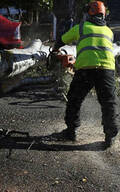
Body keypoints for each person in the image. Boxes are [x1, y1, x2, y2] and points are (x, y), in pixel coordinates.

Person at [51, 1, 119, 148]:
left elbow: (62, 40)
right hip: (106, 69)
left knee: (74, 99)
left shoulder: (81, 27)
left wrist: (55, 50)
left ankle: (71, 131)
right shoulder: (108, 31)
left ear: (90, 12)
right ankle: (110, 137)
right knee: (109, 103)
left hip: (86, 69)